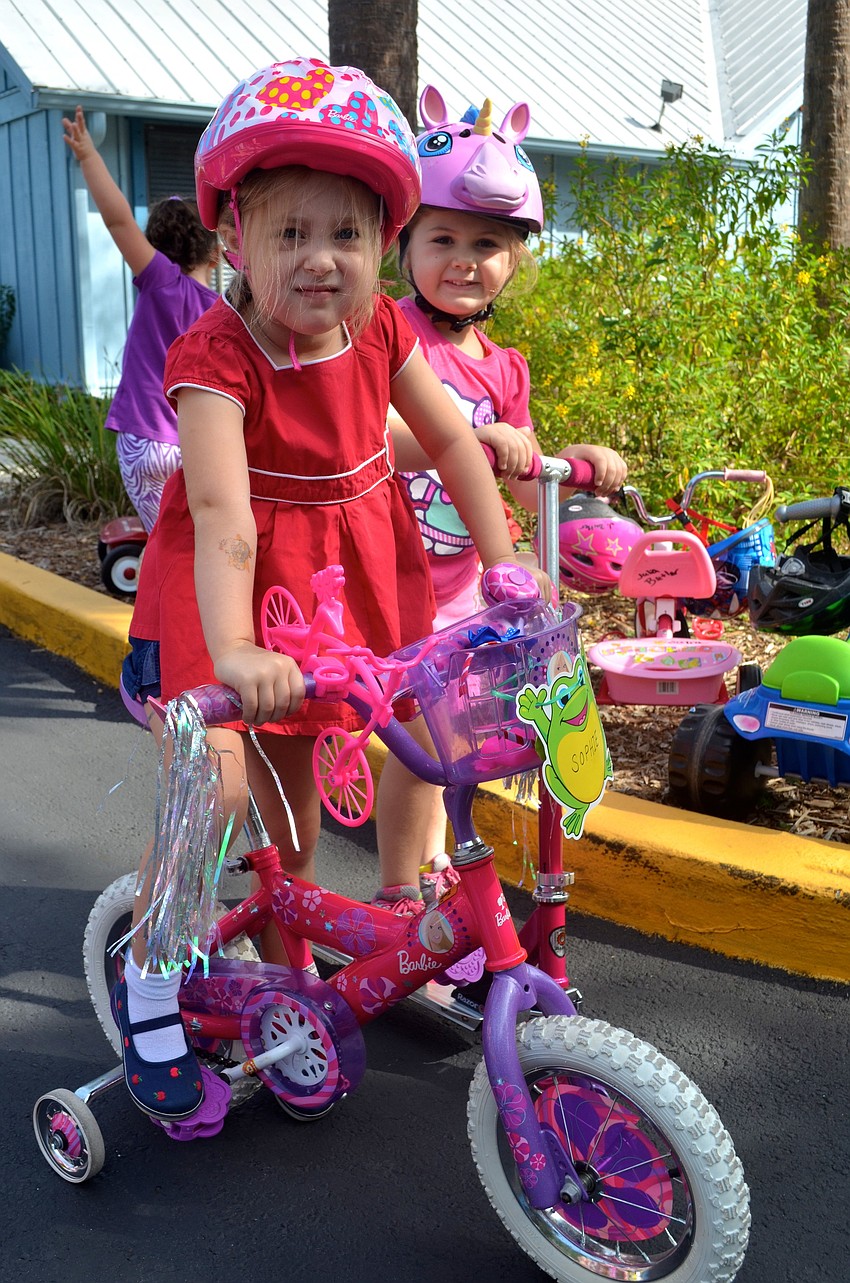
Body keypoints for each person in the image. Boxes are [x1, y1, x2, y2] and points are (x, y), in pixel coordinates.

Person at [113, 58, 550, 1121]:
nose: (320, 260)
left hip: (331, 586)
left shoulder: (386, 332)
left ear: (379, 245)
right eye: (291, 234)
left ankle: (280, 977)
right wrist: (235, 654)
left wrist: (502, 568)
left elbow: (449, 438)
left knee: (293, 815)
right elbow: (222, 519)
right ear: (234, 243)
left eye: (347, 235)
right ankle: (153, 981)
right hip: (223, 597)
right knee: (216, 788)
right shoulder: (214, 357)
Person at [378, 87, 628, 881]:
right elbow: (366, 437)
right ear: (404, 246)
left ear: (513, 259)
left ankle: (435, 867)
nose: (463, 259)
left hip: (465, 582)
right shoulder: (389, 331)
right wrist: (462, 437)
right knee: (424, 740)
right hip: (389, 567)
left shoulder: (504, 367)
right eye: (442, 237)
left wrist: (568, 461)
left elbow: (524, 488)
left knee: (464, 740)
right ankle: (398, 889)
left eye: (486, 243)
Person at [62, 107, 220, 531]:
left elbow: (117, 220)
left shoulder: (160, 282)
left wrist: (88, 157)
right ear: (216, 253)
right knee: (200, 543)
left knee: (166, 544)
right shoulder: (224, 312)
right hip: (199, 445)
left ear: (156, 248)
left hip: (144, 440)